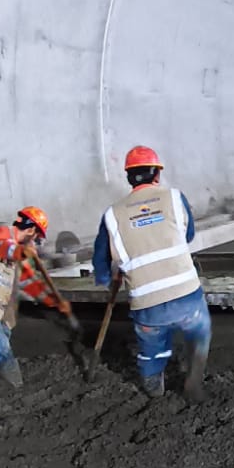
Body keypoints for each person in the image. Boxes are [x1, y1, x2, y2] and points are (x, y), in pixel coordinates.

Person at [93, 146, 211, 401]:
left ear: (128, 177)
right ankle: (193, 378)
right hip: (186, 296)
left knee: (151, 349)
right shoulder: (174, 198)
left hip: (147, 305)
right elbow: (188, 235)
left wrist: (106, 277)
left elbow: (101, 262)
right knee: (200, 331)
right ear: (156, 174)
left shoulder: (112, 215)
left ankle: (154, 390)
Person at [0, 206, 70, 389]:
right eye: (36, 237)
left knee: (6, 326)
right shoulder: (2, 231)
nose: (35, 242)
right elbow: (3, 247)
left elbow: (31, 284)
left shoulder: (17, 258)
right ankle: (12, 386)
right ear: (30, 230)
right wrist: (20, 252)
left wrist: (56, 302)